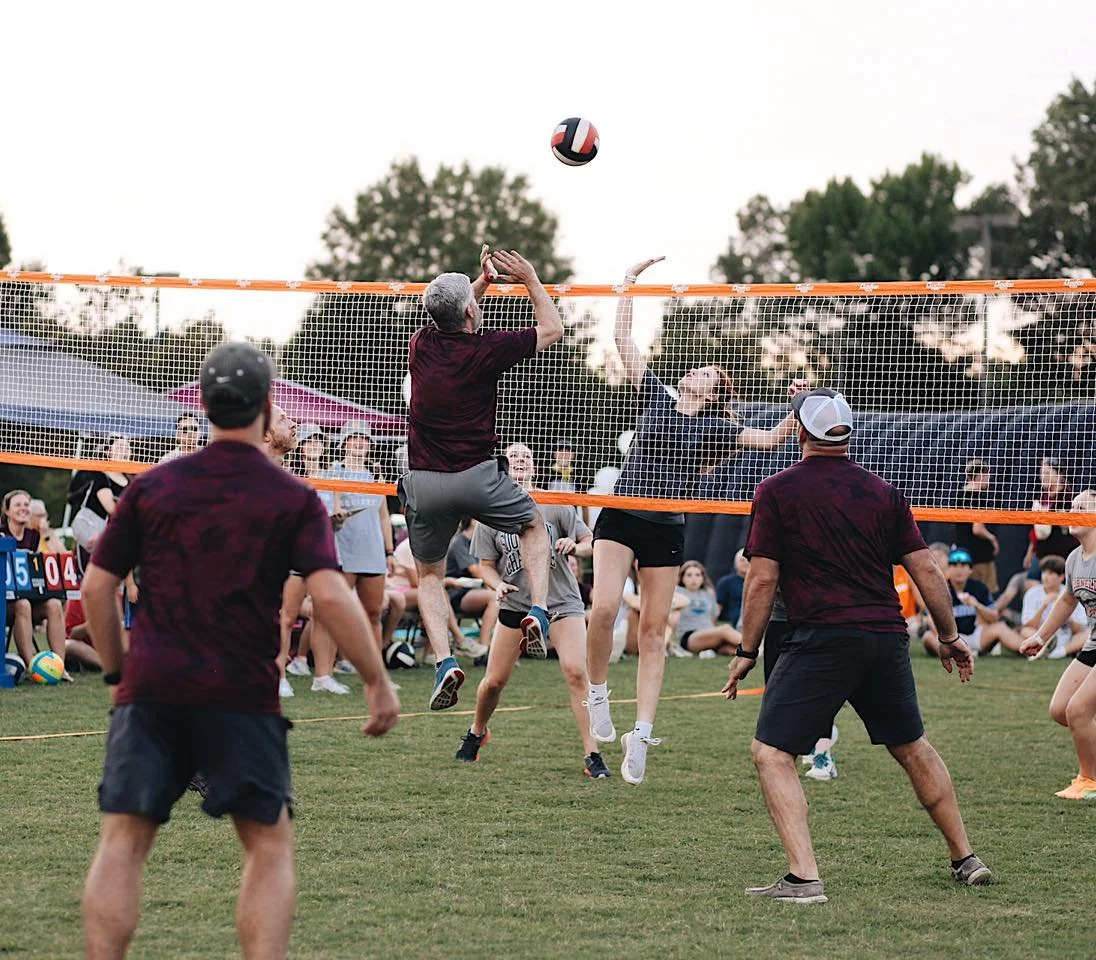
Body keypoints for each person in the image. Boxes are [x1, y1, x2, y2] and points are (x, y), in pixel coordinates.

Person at [79, 343, 399, 960]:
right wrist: (376, 680)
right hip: (241, 694)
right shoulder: (291, 495)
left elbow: (97, 587)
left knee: (123, 843)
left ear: (203, 405)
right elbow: (331, 596)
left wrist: (119, 672)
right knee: (268, 848)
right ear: (266, 405)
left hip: (154, 688)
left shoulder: (154, 485)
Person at [723, 387, 990, 904]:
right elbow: (926, 569)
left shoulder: (777, 490)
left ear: (800, 433)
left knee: (771, 754)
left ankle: (804, 878)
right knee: (912, 746)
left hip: (821, 638)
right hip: (885, 637)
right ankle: (966, 857)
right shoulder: (883, 491)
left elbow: (761, 579)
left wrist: (747, 651)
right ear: (847, 435)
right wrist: (949, 636)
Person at [584, 256, 806, 786]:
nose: (697, 370)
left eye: (707, 373)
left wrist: (800, 404)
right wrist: (627, 286)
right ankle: (597, 694)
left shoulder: (716, 427)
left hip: (665, 526)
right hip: (621, 515)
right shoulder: (656, 394)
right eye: (699, 368)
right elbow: (622, 340)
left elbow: (771, 439)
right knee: (605, 606)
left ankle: (641, 734)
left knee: (654, 632)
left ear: (712, 393)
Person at [400, 245, 562, 711]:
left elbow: (452, 308)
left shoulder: (421, 343)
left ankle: (444, 662)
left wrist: (483, 282)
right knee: (534, 526)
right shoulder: (486, 349)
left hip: (425, 480)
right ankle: (538, 610)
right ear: (471, 311)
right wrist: (530, 279)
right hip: (476, 476)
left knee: (429, 575)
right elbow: (552, 328)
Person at [457, 442, 610, 778]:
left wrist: (576, 546)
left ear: (535, 468)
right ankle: (477, 732)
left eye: (526, 456)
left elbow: (590, 542)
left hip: (561, 602)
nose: (521, 460)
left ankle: (593, 754)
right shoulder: (491, 513)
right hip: (516, 604)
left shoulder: (555, 504)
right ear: (504, 467)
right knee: (494, 682)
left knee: (576, 672)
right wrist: (496, 584)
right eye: (514, 456)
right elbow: (485, 565)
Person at [1020, 490, 1096, 800]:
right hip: (1093, 644)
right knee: (1060, 710)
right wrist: (1040, 637)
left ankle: (1089, 780)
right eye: (1072, 506)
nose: (1072, 512)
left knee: (1078, 710)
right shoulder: (1075, 558)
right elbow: (1067, 600)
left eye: (1082, 507)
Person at [330, 420, 396, 655]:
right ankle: (334, 662)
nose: (359, 442)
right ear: (344, 443)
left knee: (374, 614)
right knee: (338, 611)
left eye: (364, 438)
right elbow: (332, 511)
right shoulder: (334, 472)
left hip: (373, 554)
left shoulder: (375, 475)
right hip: (345, 552)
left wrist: (390, 552)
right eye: (353, 437)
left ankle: (375, 668)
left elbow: (384, 517)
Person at [2, 489, 73, 675]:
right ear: (7, 511)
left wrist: (47, 533)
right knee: (23, 604)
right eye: (18, 505)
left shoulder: (33, 536)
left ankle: (59, 667)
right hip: (6, 602)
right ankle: (32, 667)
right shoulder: (1, 534)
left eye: (26, 504)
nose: (23, 508)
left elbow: (62, 558)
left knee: (54, 604)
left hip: (28, 597)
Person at [923, 549, 1023, 657]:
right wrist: (948, 639)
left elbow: (994, 617)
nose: (959, 570)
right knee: (928, 637)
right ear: (949, 569)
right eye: (954, 565)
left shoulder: (979, 588)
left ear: (970, 569)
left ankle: (1027, 649)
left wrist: (976, 605)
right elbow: (930, 619)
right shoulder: (941, 589)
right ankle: (958, 653)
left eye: (963, 565)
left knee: (1000, 627)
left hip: (974, 635)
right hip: (950, 639)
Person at [444, 517, 495, 658]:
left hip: (473, 591)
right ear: (472, 520)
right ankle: (484, 649)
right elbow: (476, 571)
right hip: (456, 592)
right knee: (495, 598)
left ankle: (491, 648)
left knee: (500, 597)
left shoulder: (478, 542)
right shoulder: (459, 543)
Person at [1020, 555, 1089, 659]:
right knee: (1025, 631)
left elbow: (1080, 628)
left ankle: (1057, 653)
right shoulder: (1032, 593)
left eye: (1051, 573)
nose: (1045, 577)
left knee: (1089, 633)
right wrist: (1043, 606)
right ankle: (1043, 649)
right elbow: (1028, 625)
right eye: (1044, 572)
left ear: (1061, 577)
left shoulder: (1071, 593)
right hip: (1040, 637)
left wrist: (1065, 616)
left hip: (1067, 638)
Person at [1024, 457, 1078, 586]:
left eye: (1047, 473)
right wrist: (1030, 552)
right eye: (1041, 473)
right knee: (1030, 584)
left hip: (1063, 554)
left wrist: (1054, 517)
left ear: (1059, 474)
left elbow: (1070, 527)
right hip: (1042, 552)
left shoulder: (1069, 497)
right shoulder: (1041, 496)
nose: (1043, 477)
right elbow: (1036, 529)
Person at [674, 560, 741, 657]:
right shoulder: (677, 592)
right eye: (689, 575)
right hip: (689, 636)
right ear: (682, 578)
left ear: (703, 577)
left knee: (731, 648)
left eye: (697, 575)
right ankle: (755, 647)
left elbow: (713, 618)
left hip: (709, 632)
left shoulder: (708, 593)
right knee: (725, 629)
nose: (694, 579)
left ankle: (751, 653)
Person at [953, 458, 999, 592]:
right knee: (985, 594)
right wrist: (992, 539)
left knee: (966, 593)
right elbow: (977, 529)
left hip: (963, 556)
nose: (989, 480)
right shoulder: (979, 497)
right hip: (980, 556)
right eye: (987, 476)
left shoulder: (959, 495)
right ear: (980, 476)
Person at [715, 550, 748, 627]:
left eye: (748, 560)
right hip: (731, 623)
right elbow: (718, 606)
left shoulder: (759, 583)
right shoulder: (726, 582)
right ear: (735, 563)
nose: (746, 563)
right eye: (742, 560)